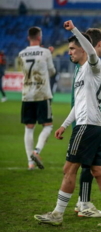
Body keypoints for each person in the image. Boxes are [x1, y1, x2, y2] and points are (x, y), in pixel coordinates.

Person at [34, 20, 101, 227]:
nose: (69, 53)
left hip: (87, 126)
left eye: (73, 49)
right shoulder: (80, 73)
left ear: (83, 49)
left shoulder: (93, 66)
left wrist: (74, 29)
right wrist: (65, 125)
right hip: (92, 126)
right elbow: (78, 105)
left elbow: (92, 52)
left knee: (69, 169)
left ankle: (57, 213)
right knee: (97, 171)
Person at [72, 28, 101, 218]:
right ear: (99, 43)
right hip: (89, 121)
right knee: (87, 166)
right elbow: (94, 100)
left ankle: (82, 202)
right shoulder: (91, 64)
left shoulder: (80, 65)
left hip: (82, 120)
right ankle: (83, 204)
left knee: (86, 165)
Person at [18, 27, 56, 170]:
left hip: (27, 94)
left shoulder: (21, 54)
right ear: (39, 37)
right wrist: (49, 56)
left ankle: (30, 163)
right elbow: (52, 72)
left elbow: (23, 71)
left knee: (29, 127)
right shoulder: (46, 52)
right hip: (42, 93)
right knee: (48, 125)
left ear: (29, 37)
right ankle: (37, 151)